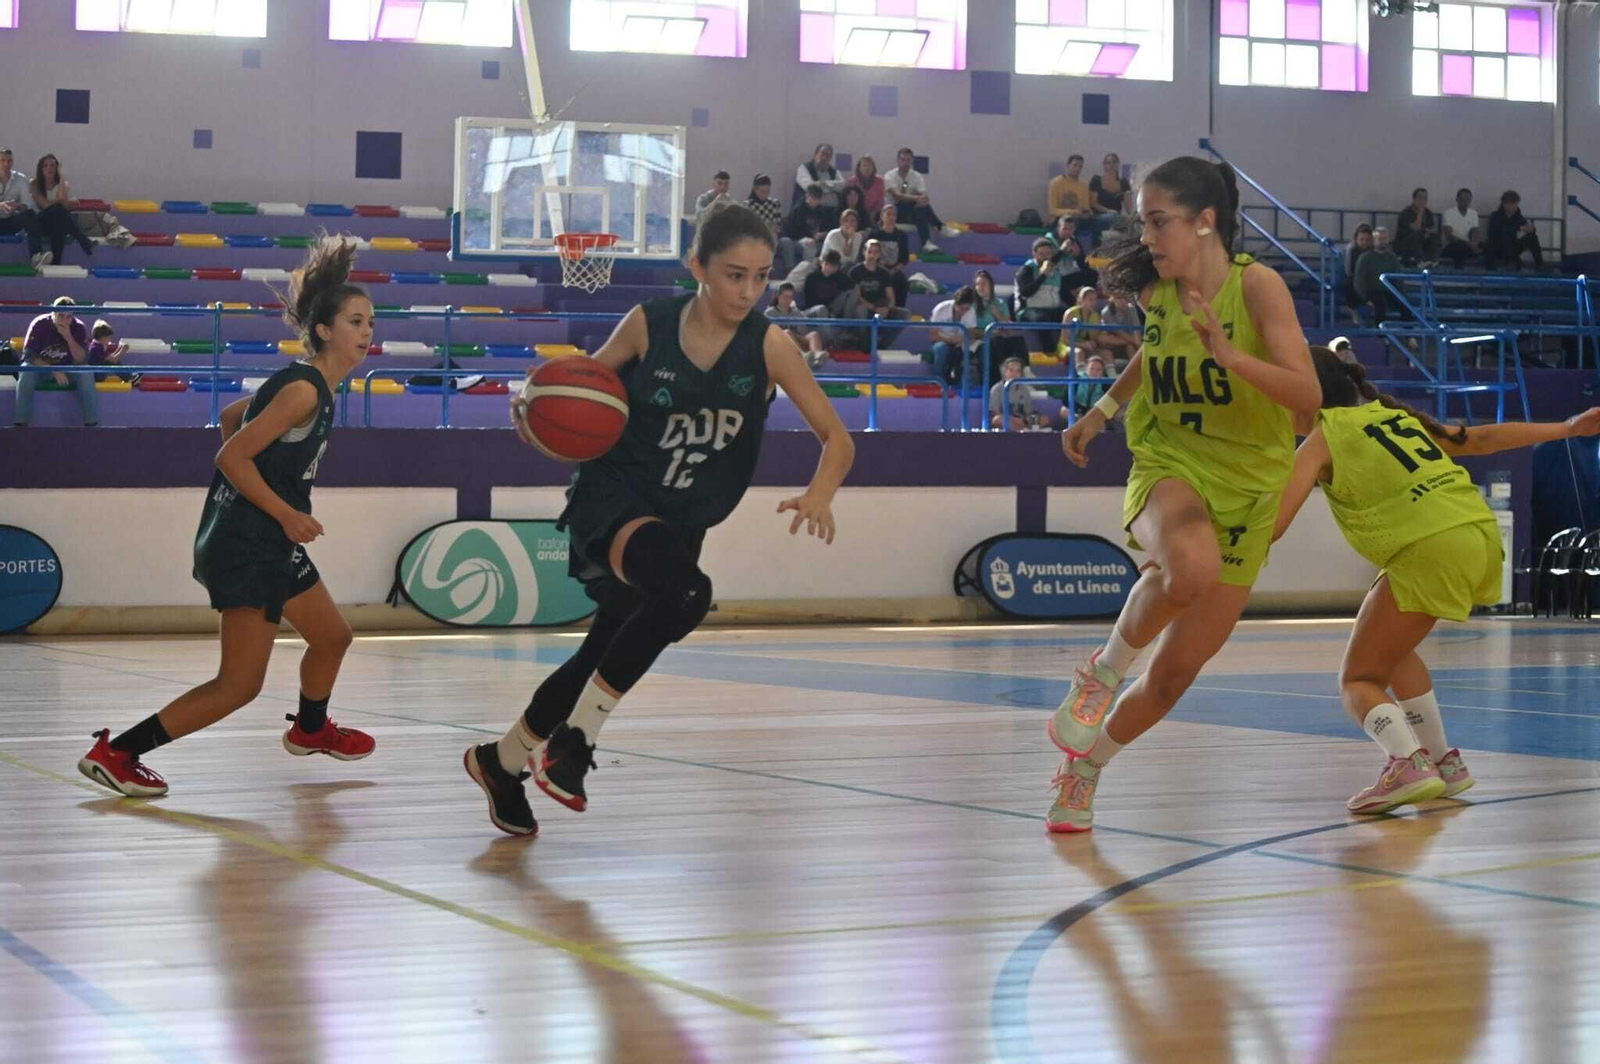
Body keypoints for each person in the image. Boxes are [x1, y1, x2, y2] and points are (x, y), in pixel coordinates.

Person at [467, 202, 856, 836]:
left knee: (603, 647)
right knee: (686, 593)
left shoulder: (771, 346)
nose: (749, 291)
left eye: (761, 277)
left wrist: (821, 493)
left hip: (681, 519)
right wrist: (535, 409)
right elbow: (582, 388)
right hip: (617, 495)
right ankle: (576, 744)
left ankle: (500, 761)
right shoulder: (650, 324)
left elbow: (838, 439)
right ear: (697, 266)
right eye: (734, 275)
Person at [1045, 156, 1322, 833]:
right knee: (1189, 567)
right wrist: (1103, 410)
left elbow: (1308, 400)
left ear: (1205, 223)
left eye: (1158, 221)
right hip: (1169, 461)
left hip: (1248, 490)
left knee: (1172, 679)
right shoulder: (1155, 293)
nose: (1147, 237)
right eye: (1144, 222)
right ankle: (1100, 676)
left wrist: (1230, 357)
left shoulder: (1258, 290)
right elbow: (1153, 352)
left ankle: (1084, 771)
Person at [77, 236, 378, 796]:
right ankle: (117, 753)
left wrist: (272, 506)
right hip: (249, 544)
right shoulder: (303, 392)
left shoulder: (306, 385)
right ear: (324, 331)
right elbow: (230, 453)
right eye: (356, 321)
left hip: (264, 538)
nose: (367, 332)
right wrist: (285, 511)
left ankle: (311, 730)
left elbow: (232, 416)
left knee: (332, 636)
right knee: (239, 684)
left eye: (370, 323)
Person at [1272, 348, 1600, 813]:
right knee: (1394, 651)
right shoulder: (1394, 418)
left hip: (1429, 546)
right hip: (1477, 534)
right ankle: (1445, 763)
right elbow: (1483, 439)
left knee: (1358, 679)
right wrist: (1568, 428)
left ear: (1305, 395)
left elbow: (1274, 523)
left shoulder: (1324, 440)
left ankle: (1406, 762)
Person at [14, 296, 97, 427]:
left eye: (68, 317)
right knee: (26, 372)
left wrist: (68, 336)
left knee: (86, 372)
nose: (64, 320)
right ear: (53, 314)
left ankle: (92, 424)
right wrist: (52, 370)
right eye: (60, 316)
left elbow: (82, 359)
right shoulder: (39, 324)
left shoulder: (78, 327)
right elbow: (29, 354)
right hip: (41, 367)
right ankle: (21, 424)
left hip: (68, 368)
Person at [29, 153, 93, 266]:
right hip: (40, 223)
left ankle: (56, 262)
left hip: (56, 224)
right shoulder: (34, 184)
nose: (49, 168)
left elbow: (63, 201)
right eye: (45, 166)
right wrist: (66, 202)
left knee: (60, 221)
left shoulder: (63, 184)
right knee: (59, 210)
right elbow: (45, 205)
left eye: (53, 166)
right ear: (41, 168)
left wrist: (62, 176)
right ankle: (83, 240)